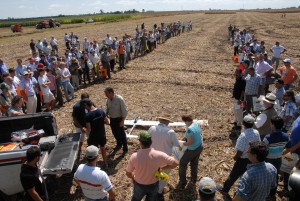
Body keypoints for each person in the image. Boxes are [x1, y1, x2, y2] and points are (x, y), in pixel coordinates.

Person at [126, 131, 179, 201]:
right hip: (153, 184)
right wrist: (163, 168)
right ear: (151, 142)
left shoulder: (134, 157)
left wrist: (133, 178)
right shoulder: (159, 155)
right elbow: (176, 163)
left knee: (136, 198)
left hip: (139, 184)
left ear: (140, 142)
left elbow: (128, 173)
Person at [218, 115, 260, 199]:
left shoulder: (243, 136)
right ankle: (241, 191)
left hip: (243, 160)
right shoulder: (256, 132)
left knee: (233, 175)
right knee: (246, 176)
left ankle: (225, 190)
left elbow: (240, 152)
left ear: (243, 123)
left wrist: (235, 158)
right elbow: (258, 144)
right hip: (252, 159)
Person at [148, 115, 180, 200]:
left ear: (159, 120)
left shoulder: (151, 128)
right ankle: (159, 191)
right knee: (163, 174)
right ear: (168, 122)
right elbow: (177, 144)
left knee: (152, 173)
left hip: (152, 156)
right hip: (165, 159)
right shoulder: (171, 132)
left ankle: (150, 188)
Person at [263, 116, 289, 199]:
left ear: (273, 125)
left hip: (268, 159)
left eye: (271, 123)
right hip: (278, 159)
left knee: (267, 176)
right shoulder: (286, 136)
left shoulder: (268, 137)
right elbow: (287, 146)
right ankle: (272, 193)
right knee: (275, 175)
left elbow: (263, 149)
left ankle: (266, 193)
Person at [177, 114, 203, 189]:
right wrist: (184, 138)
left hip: (193, 149)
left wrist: (182, 143)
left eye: (184, 122)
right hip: (199, 146)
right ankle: (194, 179)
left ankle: (182, 182)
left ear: (186, 121)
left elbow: (190, 142)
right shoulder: (196, 124)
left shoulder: (189, 130)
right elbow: (195, 135)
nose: (185, 123)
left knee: (182, 163)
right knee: (194, 163)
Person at [84, 99, 109, 168]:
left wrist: (84, 130)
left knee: (93, 152)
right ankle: (106, 164)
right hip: (102, 134)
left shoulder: (88, 116)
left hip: (93, 137)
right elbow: (107, 122)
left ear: (86, 105)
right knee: (103, 148)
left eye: (85, 106)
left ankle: (94, 167)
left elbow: (89, 129)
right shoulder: (101, 111)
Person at [104, 87, 128, 153]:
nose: (105, 95)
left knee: (122, 134)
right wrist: (105, 115)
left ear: (111, 93)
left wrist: (122, 120)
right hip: (112, 119)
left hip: (119, 119)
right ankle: (119, 143)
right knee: (114, 132)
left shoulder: (119, 99)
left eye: (106, 94)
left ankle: (125, 147)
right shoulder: (108, 100)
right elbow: (108, 109)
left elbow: (124, 111)